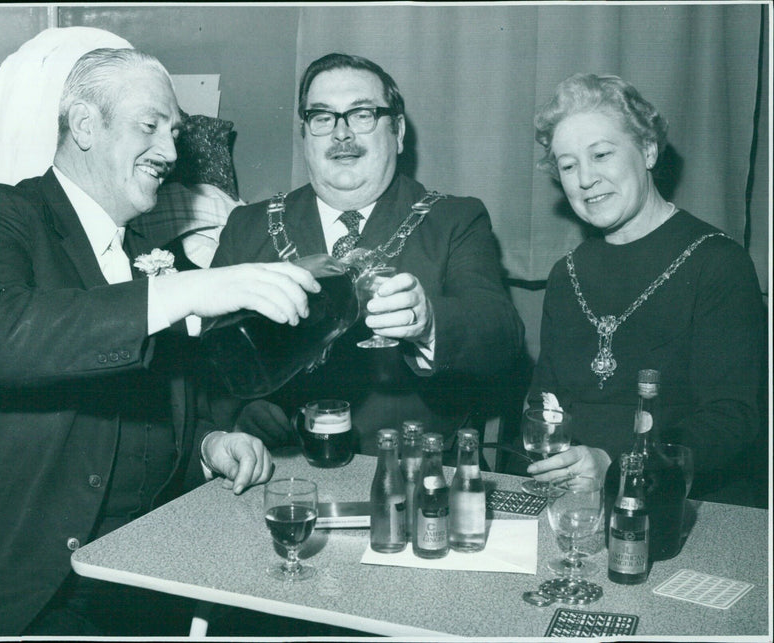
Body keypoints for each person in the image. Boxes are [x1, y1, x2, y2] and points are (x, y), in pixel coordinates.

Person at [0, 47, 322, 637]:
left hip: (150, 568)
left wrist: (209, 444)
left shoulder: (147, 256)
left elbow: (160, 411)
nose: (169, 152)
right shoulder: (2, 214)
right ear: (85, 125)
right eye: (150, 126)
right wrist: (185, 291)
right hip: (40, 587)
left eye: (174, 131)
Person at [208, 53, 524, 459]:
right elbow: (205, 364)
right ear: (305, 133)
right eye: (322, 117)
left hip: (412, 476)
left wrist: (428, 323)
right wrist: (235, 420)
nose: (341, 134)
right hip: (276, 472)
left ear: (399, 131)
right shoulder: (247, 226)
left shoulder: (454, 219)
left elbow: (502, 337)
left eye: (361, 115)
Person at [521, 73, 766, 505]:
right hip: (575, 500)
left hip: (685, 502)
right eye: (568, 165)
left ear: (648, 151)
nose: (585, 179)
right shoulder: (566, 273)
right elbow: (545, 402)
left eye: (601, 154)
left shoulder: (717, 262)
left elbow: (734, 420)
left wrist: (618, 464)